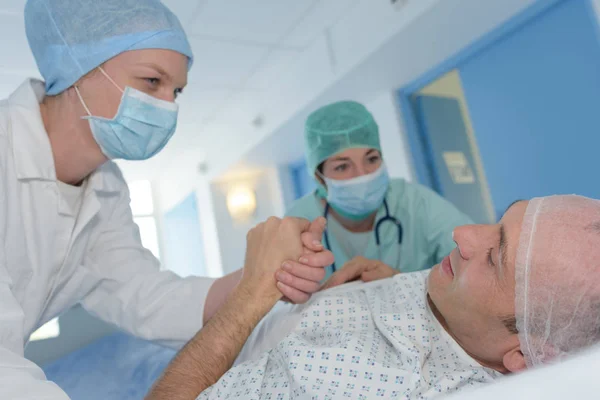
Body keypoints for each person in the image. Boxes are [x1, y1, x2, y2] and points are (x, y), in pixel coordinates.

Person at [0, 1, 333, 398]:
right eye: (151, 82)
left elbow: (147, 297)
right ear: (78, 64)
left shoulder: (108, 189)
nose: (167, 106)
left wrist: (263, 275)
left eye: (176, 91)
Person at [151, 195, 600, 399]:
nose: (463, 234)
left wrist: (253, 292)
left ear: (522, 354)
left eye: (494, 257)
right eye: (498, 221)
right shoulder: (463, 314)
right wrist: (393, 287)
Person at [283, 100, 472, 285]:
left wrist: (402, 283)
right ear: (319, 177)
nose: (363, 174)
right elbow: (283, 298)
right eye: (342, 167)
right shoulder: (298, 221)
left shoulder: (415, 202)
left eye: (371, 159)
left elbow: (474, 259)